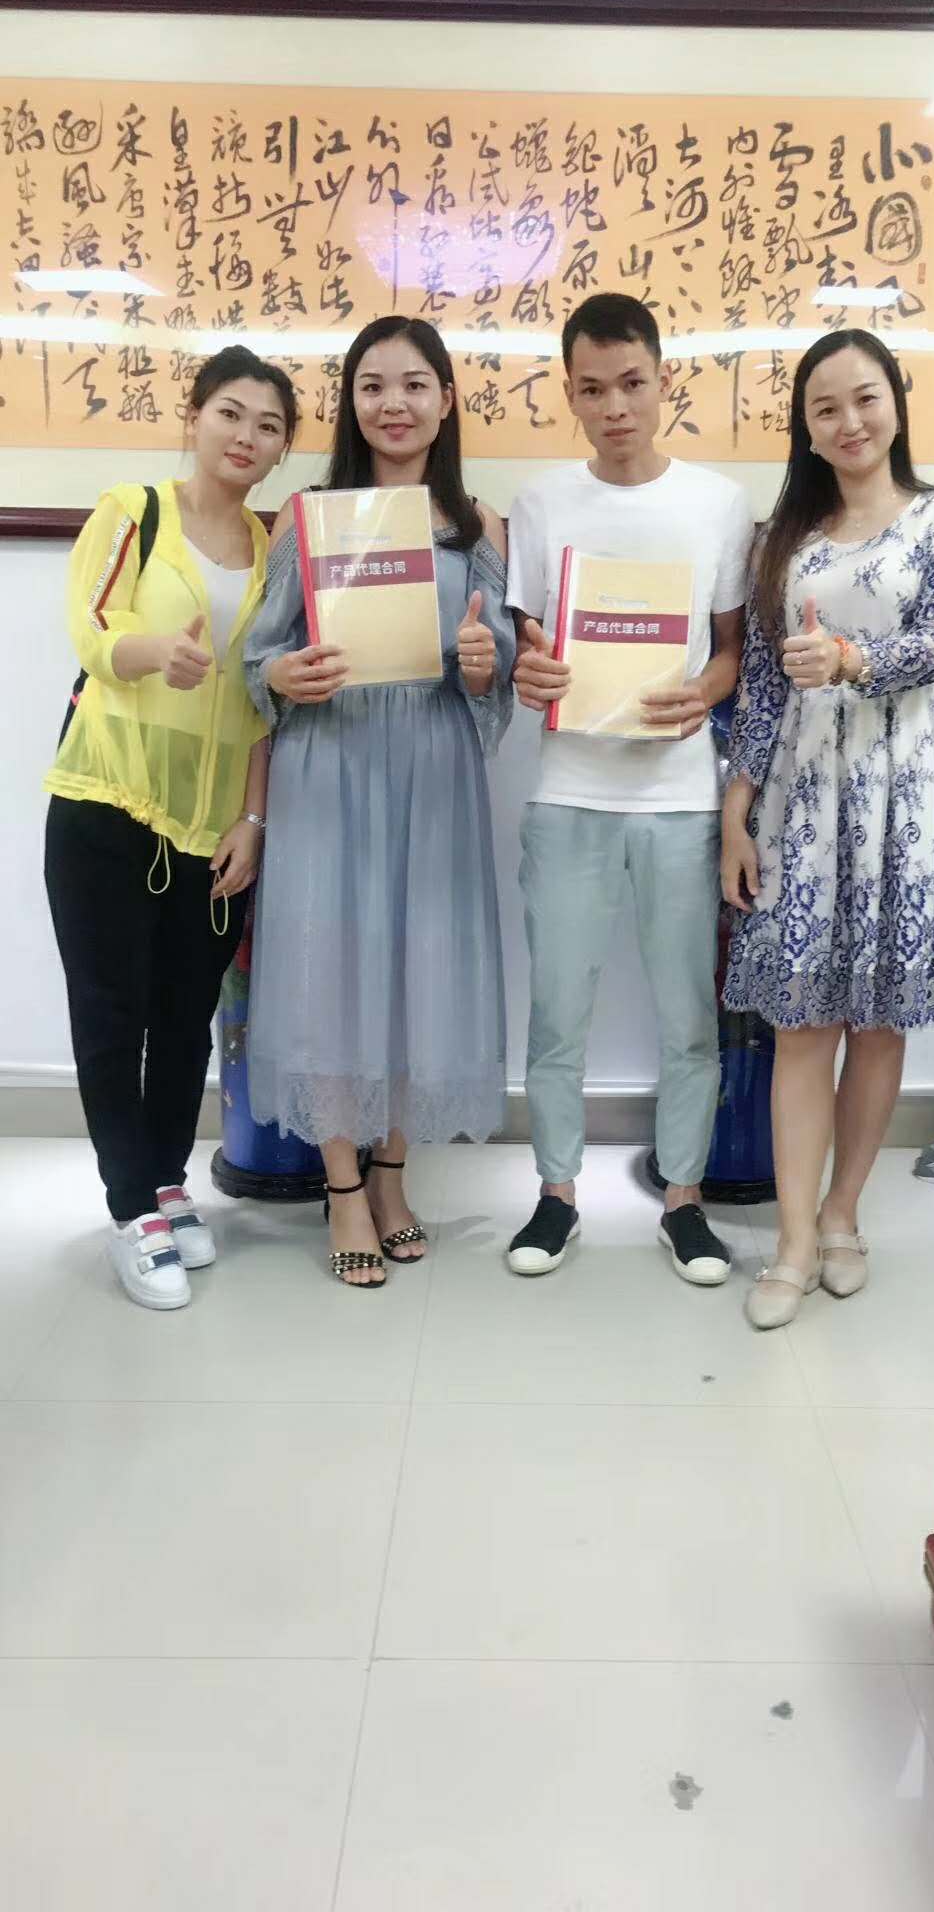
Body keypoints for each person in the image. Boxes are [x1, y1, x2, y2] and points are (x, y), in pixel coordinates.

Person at [720, 328, 934, 1329]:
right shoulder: (781, 540)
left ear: (896, 403)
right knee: (801, 1023)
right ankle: (793, 1241)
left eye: (865, 398)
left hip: (905, 802)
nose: (849, 422)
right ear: (805, 427)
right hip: (801, 802)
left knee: (876, 1023)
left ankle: (843, 1215)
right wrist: (736, 814)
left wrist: (848, 661)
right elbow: (759, 689)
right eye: (825, 408)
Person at [244, 315, 515, 1288]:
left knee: (417, 971)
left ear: (446, 401)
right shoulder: (307, 516)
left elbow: (499, 669)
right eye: (371, 386)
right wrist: (283, 675)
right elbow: (257, 658)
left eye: (413, 385)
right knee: (328, 970)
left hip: (433, 771)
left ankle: (394, 1176)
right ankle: (344, 1187)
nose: (392, 404)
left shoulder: (480, 526)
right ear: (351, 403)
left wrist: (483, 664)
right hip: (329, 765)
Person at [506, 292, 754, 1282]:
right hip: (569, 790)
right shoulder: (540, 503)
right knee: (557, 1012)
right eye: (593, 389)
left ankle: (683, 1202)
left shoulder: (717, 504)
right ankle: (556, 1197)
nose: (615, 407)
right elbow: (528, 647)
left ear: (663, 381)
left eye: (633, 384)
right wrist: (530, 672)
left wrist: (705, 692)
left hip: (679, 798)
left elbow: (731, 650)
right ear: (569, 394)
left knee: (688, 1015)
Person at [44, 344, 298, 1310]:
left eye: (269, 426)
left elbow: (265, 708)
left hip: (211, 828)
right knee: (111, 1017)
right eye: (231, 413)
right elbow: (91, 631)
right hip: (108, 802)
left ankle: (162, 1182)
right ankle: (128, 1209)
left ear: (281, 450)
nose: (247, 436)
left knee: (185, 1019)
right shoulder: (133, 512)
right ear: (194, 417)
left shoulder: (274, 556)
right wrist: (155, 651)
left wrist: (252, 819)